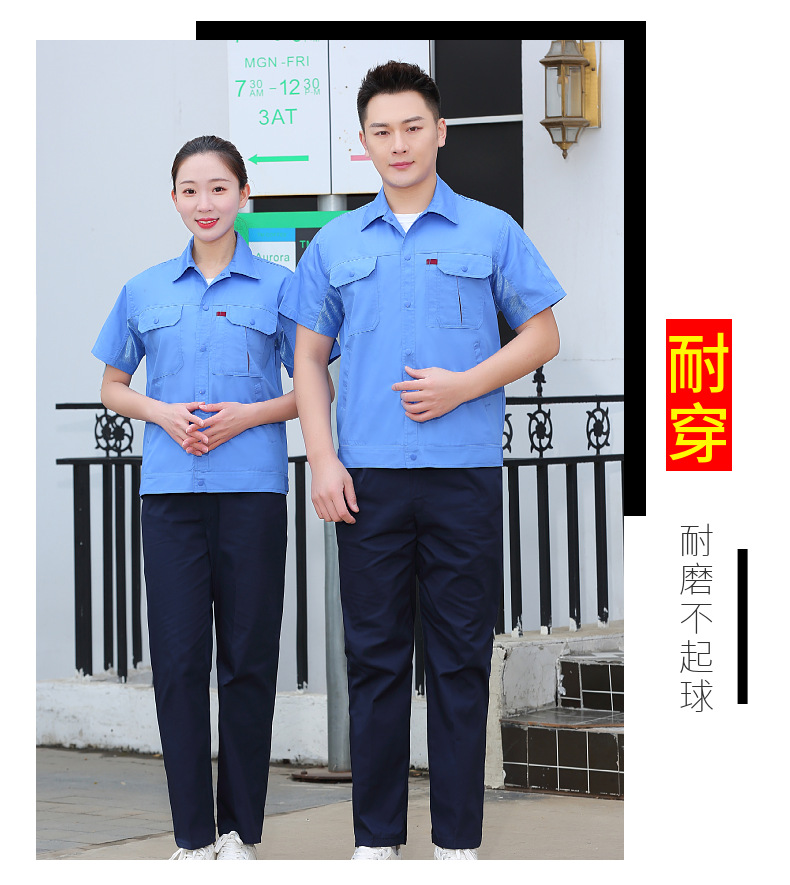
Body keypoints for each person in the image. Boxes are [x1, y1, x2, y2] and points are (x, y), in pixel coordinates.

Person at [282, 61, 566, 861]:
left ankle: (456, 845)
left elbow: (543, 335)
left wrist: (464, 384)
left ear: (440, 132)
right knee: (374, 659)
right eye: (382, 131)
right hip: (366, 479)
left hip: (461, 474)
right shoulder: (336, 243)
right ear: (363, 143)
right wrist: (323, 460)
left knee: (459, 659)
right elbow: (309, 360)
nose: (398, 143)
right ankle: (375, 843)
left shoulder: (491, 230)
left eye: (412, 127)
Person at [92, 135, 304, 860]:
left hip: (252, 495)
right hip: (171, 499)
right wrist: (160, 412)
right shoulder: (144, 289)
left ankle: (240, 832)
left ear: (244, 195)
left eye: (218, 188)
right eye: (190, 190)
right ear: (175, 199)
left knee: (247, 661)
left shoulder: (281, 289)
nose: (205, 203)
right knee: (180, 664)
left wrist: (249, 415)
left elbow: (314, 386)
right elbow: (113, 385)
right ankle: (191, 838)